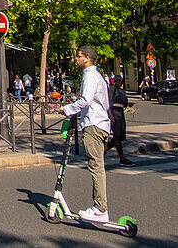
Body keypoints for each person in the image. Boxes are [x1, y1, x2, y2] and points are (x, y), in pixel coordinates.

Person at [62, 45, 112, 223]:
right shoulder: (97, 76)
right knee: (97, 165)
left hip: (93, 125)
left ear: (86, 59)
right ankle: (98, 206)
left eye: (78, 56)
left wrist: (67, 109)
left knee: (95, 166)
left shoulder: (90, 75)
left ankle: (100, 208)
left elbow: (86, 101)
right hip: (99, 123)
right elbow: (105, 104)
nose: (76, 59)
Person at [106, 76, 133, 166]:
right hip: (114, 112)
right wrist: (110, 115)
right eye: (117, 81)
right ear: (114, 81)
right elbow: (108, 102)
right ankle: (122, 157)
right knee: (117, 135)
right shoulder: (112, 89)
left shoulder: (122, 91)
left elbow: (124, 102)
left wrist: (128, 104)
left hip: (120, 112)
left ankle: (104, 150)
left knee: (120, 135)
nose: (119, 82)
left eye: (121, 81)